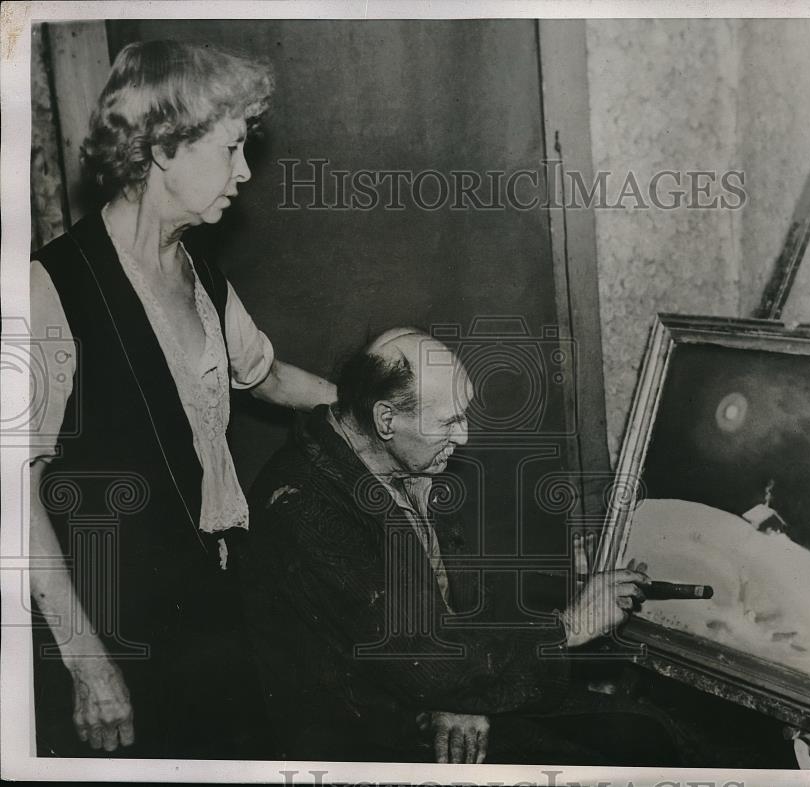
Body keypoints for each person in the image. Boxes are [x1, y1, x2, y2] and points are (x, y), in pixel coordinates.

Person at [28, 40, 338, 758]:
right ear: (164, 147)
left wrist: (367, 408)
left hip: (213, 607)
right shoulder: (53, 287)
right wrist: (86, 660)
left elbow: (262, 374)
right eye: (231, 149)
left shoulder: (197, 266)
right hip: (119, 635)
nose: (245, 172)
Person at [240, 329, 681, 764]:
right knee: (613, 757)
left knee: (645, 730)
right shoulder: (303, 507)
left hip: (443, 689)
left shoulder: (403, 463)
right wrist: (569, 626)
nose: (465, 436)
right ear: (386, 420)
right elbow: (419, 661)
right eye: (450, 421)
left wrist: (468, 696)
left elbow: (462, 608)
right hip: (368, 733)